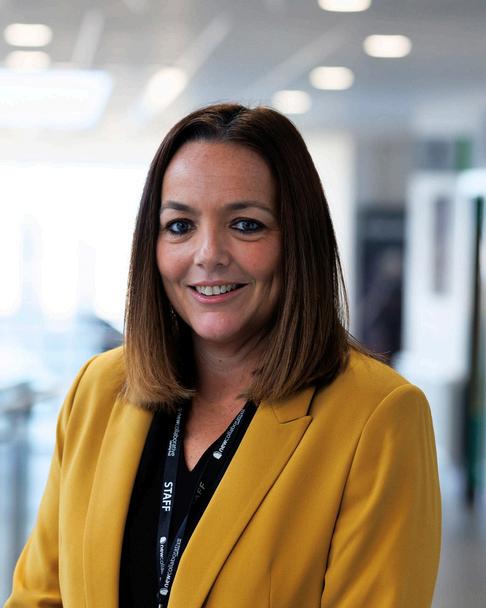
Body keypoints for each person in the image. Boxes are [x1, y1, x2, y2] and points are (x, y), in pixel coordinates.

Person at [6, 103, 441, 608]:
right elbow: (39, 597)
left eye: (246, 224)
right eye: (179, 226)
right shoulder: (98, 390)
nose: (208, 254)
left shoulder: (377, 416)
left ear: (299, 241)